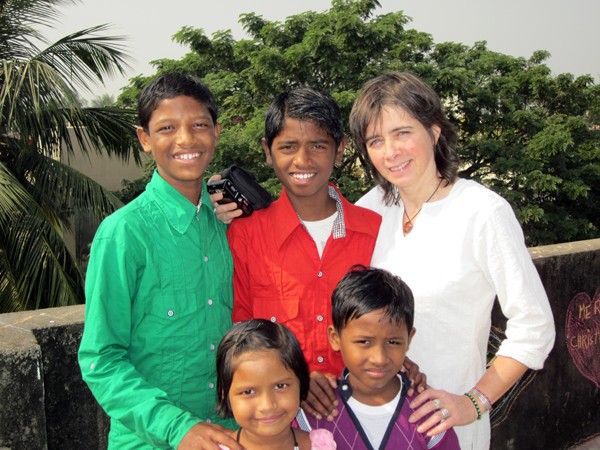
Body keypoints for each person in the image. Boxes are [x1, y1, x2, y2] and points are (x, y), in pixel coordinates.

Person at [349, 71, 555, 449]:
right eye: (376, 140)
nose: (390, 152)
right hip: (370, 425)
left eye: (402, 133)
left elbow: (535, 326)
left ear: (434, 132)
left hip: (448, 431)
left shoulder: (481, 212)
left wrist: (473, 402)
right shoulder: (369, 210)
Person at [78, 73, 242, 450]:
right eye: (167, 128)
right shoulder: (124, 233)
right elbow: (101, 358)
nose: (186, 140)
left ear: (216, 132)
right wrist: (176, 427)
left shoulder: (230, 224)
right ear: (145, 139)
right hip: (149, 441)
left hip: (232, 433)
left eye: (199, 125)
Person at [220, 87, 383, 418]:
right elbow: (241, 334)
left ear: (340, 150)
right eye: (288, 146)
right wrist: (296, 379)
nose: (303, 160)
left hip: (363, 417)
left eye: (318, 145)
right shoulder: (245, 234)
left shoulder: (376, 231)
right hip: (279, 422)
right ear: (268, 152)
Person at [298, 265, 460, 449]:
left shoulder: (430, 417)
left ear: (409, 339)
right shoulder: (312, 415)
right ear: (335, 338)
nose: (379, 358)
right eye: (364, 342)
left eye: (393, 342)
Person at [215, 319, 337, 450]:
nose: (267, 406)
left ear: (301, 383)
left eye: (280, 386)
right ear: (225, 395)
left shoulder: (321, 445)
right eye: (248, 392)